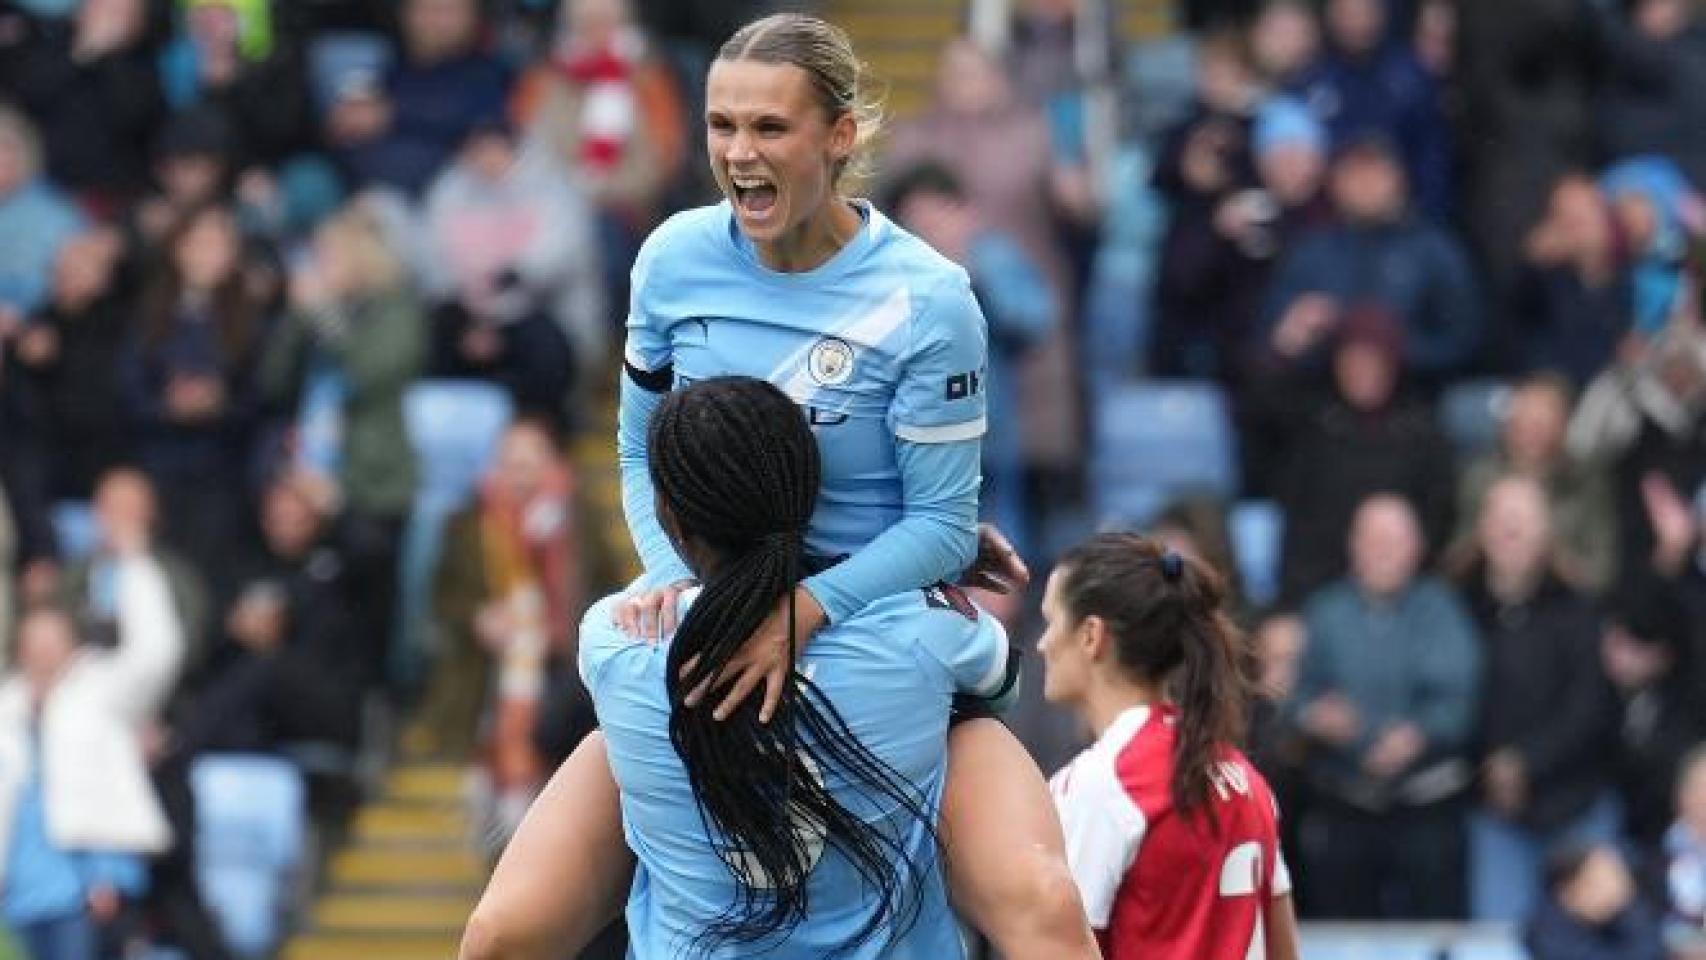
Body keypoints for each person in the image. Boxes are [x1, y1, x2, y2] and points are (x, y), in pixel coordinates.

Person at [472, 15, 1095, 960]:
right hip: (717, 642)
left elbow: (938, 523)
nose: (738, 152)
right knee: (503, 929)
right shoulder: (674, 260)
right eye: (722, 126)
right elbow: (641, 456)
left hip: (875, 641)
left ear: (840, 136)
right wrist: (679, 587)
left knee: (1041, 905)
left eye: (769, 128)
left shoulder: (928, 300)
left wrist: (802, 611)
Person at [571, 376, 1024, 957]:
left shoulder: (617, 644)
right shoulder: (922, 630)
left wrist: (668, 588)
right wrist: (909, 562)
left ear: (669, 518)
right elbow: (1001, 682)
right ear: (810, 499)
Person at [1038, 533, 1301, 959]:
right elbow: (1283, 949)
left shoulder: (1103, 784)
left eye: (1051, 621)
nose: (1042, 642)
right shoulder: (1243, 777)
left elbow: (1055, 948)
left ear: (1091, 635)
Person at [1284, 492, 1481, 919]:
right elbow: (1296, 697)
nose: (1382, 552)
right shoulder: (1325, 611)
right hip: (1344, 799)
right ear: (1353, 544)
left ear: (1417, 547)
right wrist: (1315, 716)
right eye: (1372, 539)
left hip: (1426, 803)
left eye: (1394, 540)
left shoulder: (1442, 610)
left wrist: (1419, 733)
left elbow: (1460, 700)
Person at [1456, 476, 1620, 922]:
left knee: (1592, 940)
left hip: (1577, 805)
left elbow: (1592, 707)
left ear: (1547, 533)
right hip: (1494, 814)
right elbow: (1450, 703)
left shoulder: (1579, 607)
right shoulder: (1456, 606)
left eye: (1523, 522)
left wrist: (1524, 762)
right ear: (1483, 529)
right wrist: (1491, 767)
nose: (1511, 532)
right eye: (1502, 520)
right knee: (1498, 943)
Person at [0, 596, 178, 960]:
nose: (43, 654)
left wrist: (108, 874)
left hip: (78, 888)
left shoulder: (101, 696)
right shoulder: (8, 706)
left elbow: (159, 652)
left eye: (52, 643)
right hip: (17, 886)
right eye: (34, 643)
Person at [1525, 843, 1666, 960]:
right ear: (1569, 890)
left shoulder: (1617, 914)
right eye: (1602, 880)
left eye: (1617, 874)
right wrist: (1625, 904)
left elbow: (1653, 946)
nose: (1617, 886)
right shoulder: (1549, 935)